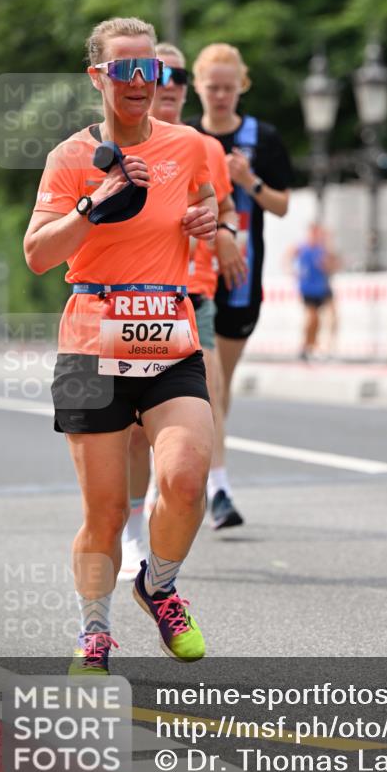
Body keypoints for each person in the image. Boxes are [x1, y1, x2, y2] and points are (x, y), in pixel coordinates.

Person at [23, 17, 218, 673]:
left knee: (186, 477)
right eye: (124, 70)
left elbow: (208, 211)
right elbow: (37, 255)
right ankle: (95, 631)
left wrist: (208, 221)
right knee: (104, 513)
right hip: (92, 341)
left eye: (150, 70)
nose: (139, 82)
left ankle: (157, 585)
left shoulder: (189, 146)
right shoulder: (70, 158)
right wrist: (92, 206)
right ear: (98, 76)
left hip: (168, 335)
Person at [119, 42, 246, 575]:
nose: (165, 89)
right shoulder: (114, 143)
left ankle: (211, 490)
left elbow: (224, 207)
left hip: (192, 295)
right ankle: (129, 525)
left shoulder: (200, 146)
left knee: (206, 399)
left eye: (172, 81)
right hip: (131, 298)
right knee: (131, 428)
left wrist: (225, 234)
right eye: (157, 79)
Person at [188, 43, 294, 525]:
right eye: (213, 88)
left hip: (242, 279)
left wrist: (249, 181)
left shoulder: (262, 138)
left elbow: (282, 205)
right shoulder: (185, 138)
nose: (222, 96)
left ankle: (200, 474)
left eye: (230, 88)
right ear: (198, 87)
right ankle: (214, 487)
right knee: (205, 386)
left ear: (242, 86)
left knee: (219, 386)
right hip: (190, 276)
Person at [290, 222, 340, 360]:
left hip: (322, 287)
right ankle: (307, 345)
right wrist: (293, 272)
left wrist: (327, 260)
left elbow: (333, 264)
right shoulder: (302, 247)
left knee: (331, 316)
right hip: (309, 288)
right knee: (312, 318)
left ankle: (323, 345)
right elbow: (288, 257)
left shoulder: (323, 249)